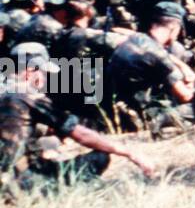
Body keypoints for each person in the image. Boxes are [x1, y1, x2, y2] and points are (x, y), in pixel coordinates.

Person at [1, 43, 153, 196]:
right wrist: (128, 153)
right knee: (99, 158)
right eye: (43, 73)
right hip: (16, 180)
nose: (45, 79)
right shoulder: (27, 94)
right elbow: (80, 134)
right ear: (30, 71)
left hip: (10, 171)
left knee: (49, 143)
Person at [105, 2, 195, 132]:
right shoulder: (158, 57)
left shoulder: (138, 38)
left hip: (114, 106)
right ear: (174, 27)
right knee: (194, 107)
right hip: (137, 116)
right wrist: (193, 85)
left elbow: (155, 53)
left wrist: (182, 66)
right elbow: (185, 96)